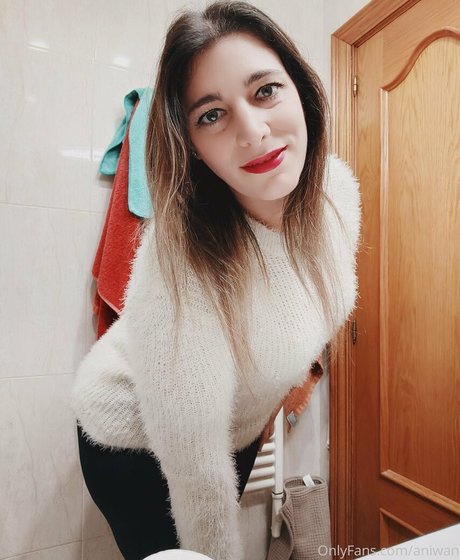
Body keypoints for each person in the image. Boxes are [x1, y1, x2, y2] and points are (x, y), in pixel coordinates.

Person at [71, 2, 361, 560]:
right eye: (211, 115)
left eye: (265, 91)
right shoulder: (182, 260)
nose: (253, 132)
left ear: (301, 90)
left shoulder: (337, 195)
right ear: (192, 145)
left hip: (235, 429)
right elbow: (191, 456)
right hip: (134, 440)